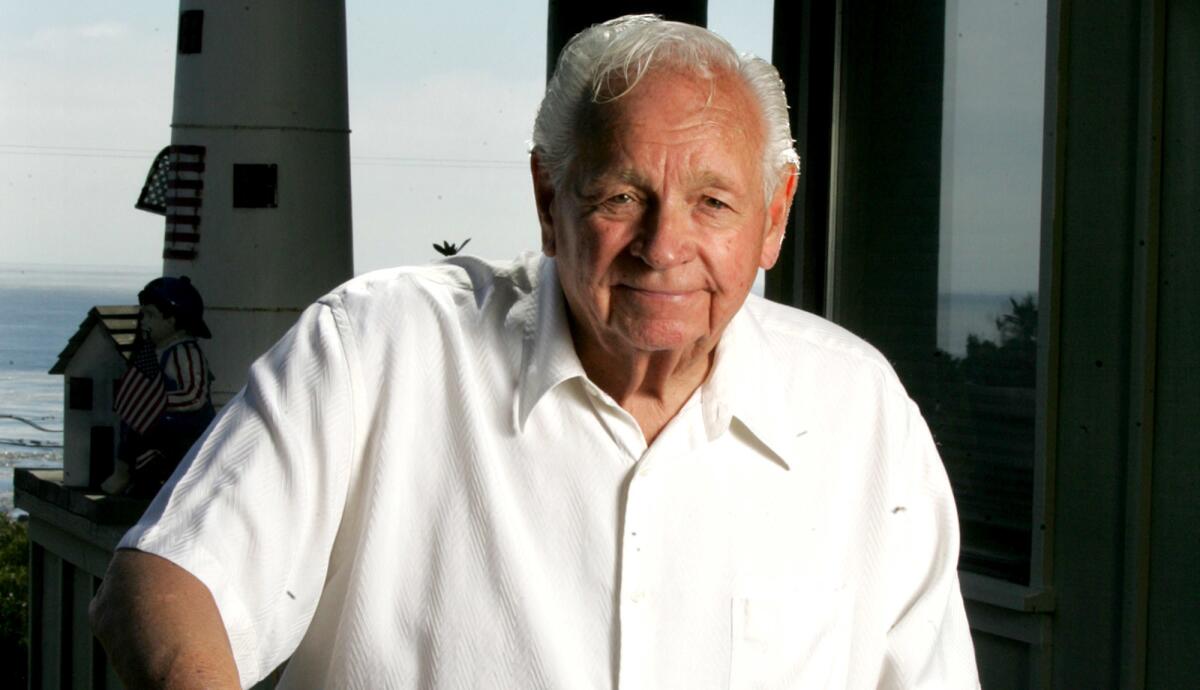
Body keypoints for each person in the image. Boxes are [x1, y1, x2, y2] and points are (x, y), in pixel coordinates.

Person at [90, 15, 979, 689]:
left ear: (775, 214)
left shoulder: (863, 415)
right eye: (623, 195)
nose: (663, 247)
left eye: (714, 203)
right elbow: (166, 581)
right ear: (548, 197)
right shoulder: (377, 347)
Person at [101, 275, 215, 498]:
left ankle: (143, 477)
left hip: (187, 424)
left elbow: (195, 396)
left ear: (171, 320)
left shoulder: (184, 352)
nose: (143, 321)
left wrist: (157, 403)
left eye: (150, 315)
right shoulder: (156, 351)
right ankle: (130, 474)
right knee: (134, 421)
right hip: (165, 417)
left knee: (146, 428)